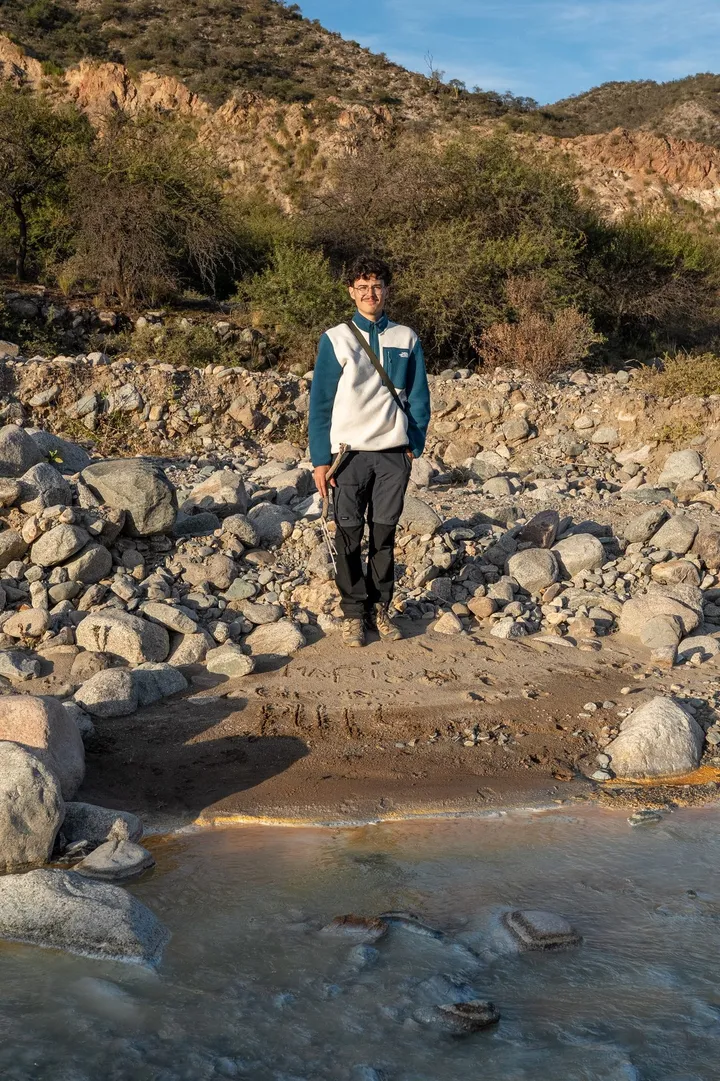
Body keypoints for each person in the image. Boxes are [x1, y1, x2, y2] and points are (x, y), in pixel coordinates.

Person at [309, 255, 431, 647]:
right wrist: (320, 460)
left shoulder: (406, 337)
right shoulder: (336, 338)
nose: (370, 294)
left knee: (383, 537)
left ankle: (381, 608)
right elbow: (321, 403)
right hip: (348, 457)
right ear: (351, 292)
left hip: (392, 455)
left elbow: (419, 396)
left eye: (376, 286)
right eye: (362, 287)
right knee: (348, 537)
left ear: (386, 290)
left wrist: (413, 445)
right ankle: (353, 614)